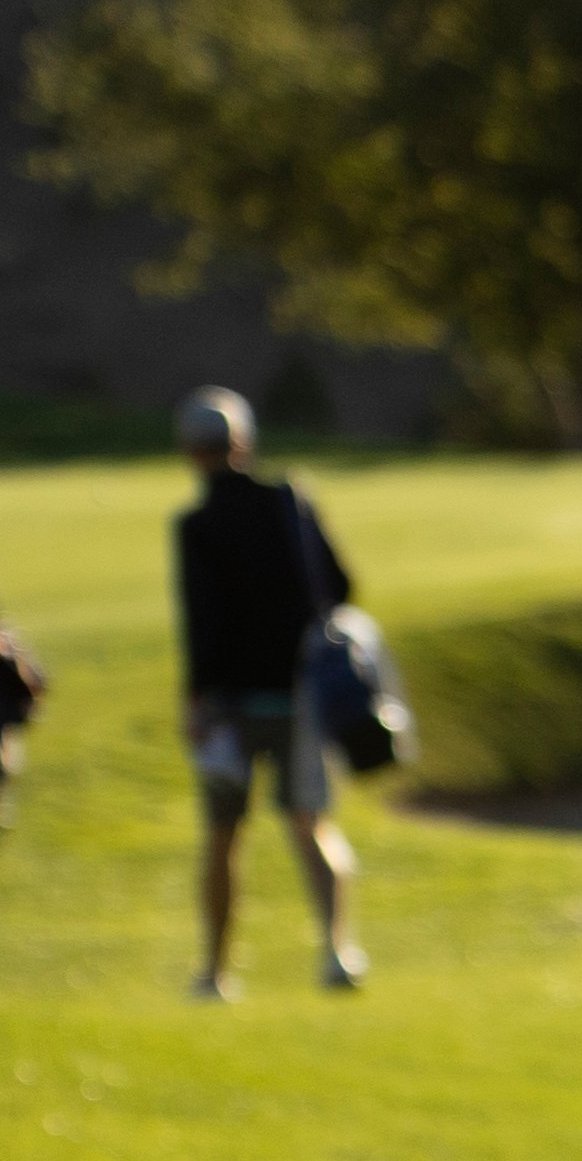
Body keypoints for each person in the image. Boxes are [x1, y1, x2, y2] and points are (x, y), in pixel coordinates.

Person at [170, 387, 366, 997]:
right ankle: (337, 951)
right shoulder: (288, 501)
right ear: (243, 443)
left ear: (190, 452)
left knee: (224, 835)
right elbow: (340, 585)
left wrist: (197, 701)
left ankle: (215, 972)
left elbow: (201, 624)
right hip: (301, 694)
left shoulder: (196, 526)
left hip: (228, 705)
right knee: (311, 822)